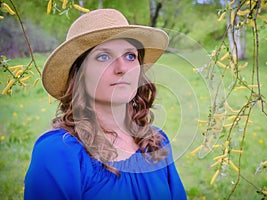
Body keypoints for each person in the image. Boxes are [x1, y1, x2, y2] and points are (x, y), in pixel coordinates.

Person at [24, 8, 187, 200]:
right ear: (79, 74)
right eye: (103, 56)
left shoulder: (156, 142)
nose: (122, 68)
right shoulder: (57, 152)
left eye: (130, 56)